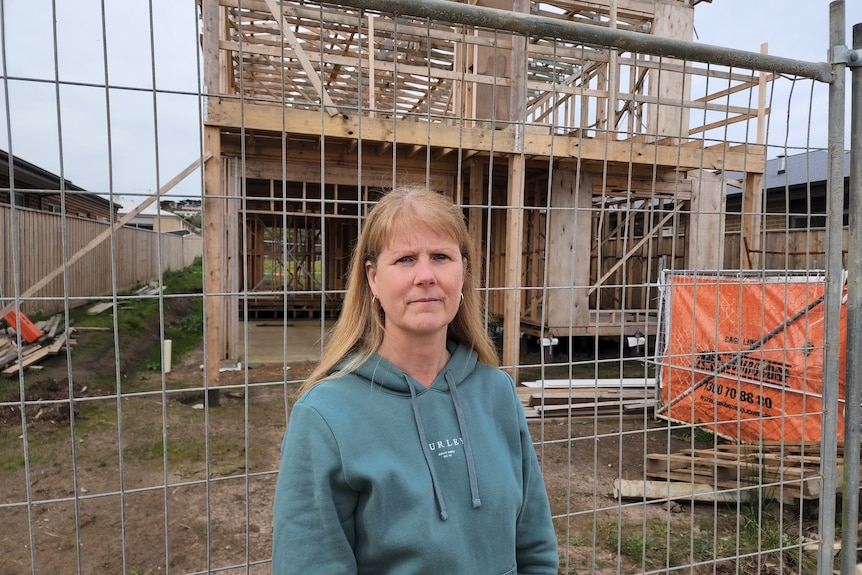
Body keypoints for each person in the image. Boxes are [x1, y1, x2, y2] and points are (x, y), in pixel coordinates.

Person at [271, 186, 559, 574]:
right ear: (373, 279)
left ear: (463, 272)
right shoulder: (324, 417)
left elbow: (535, 546)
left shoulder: (497, 392)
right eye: (405, 259)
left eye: (440, 256)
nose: (426, 276)